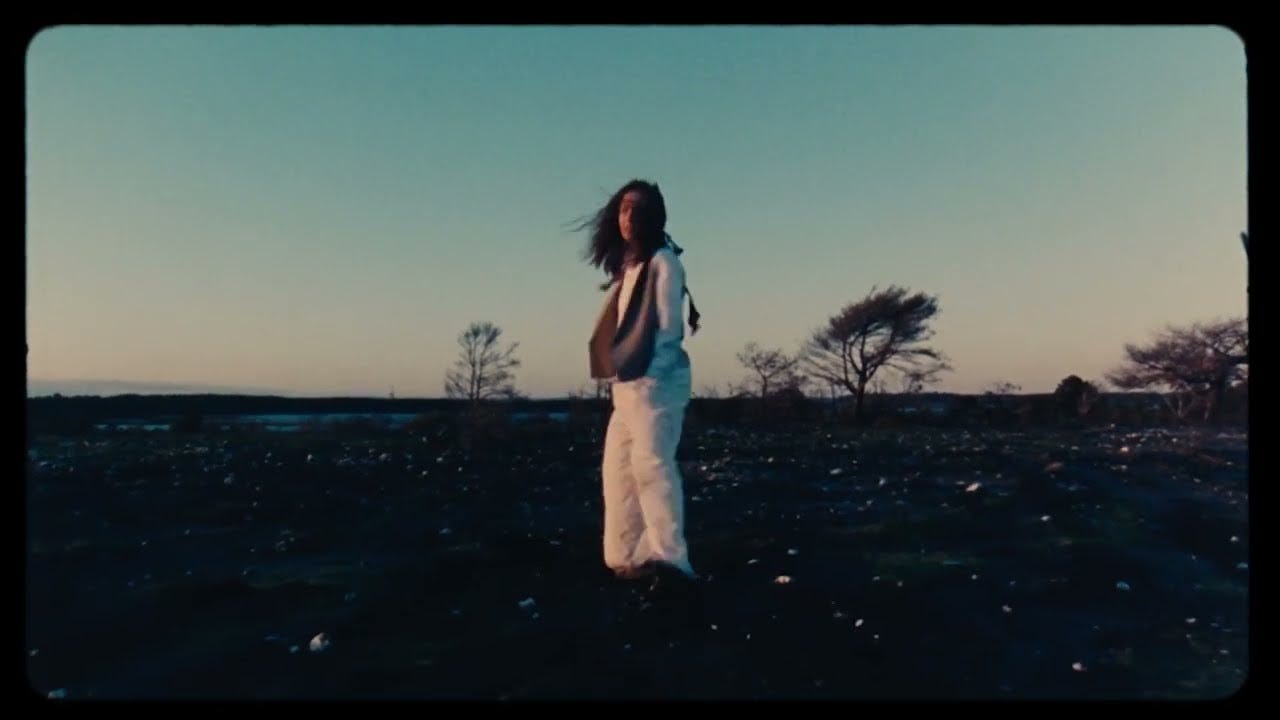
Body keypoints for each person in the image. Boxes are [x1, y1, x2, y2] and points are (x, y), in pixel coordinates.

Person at [580, 179, 701, 586]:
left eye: (637, 209)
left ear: (654, 216)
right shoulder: (628, 268)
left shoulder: (665, 262)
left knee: (652, 469)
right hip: (627, 387)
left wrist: (649, 380)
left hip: (656, 387)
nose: (628, 217)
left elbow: (669, 332)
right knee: (617, 471)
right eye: (623, 209)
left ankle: (671, 562)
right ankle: (626, 556)